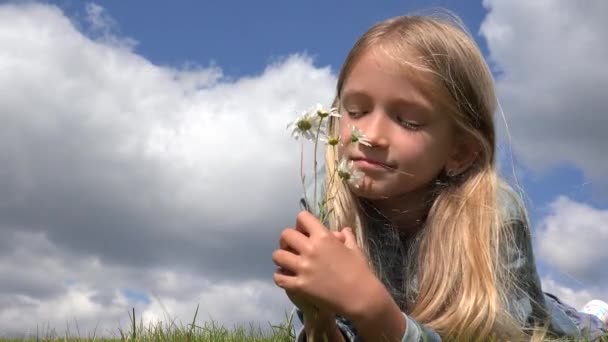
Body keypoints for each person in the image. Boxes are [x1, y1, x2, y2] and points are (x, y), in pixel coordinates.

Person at [272, 14, 608, 341]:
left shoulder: (493, 216)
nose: (370, 135)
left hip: (517, 310)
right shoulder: (326, 199)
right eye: (356, 111)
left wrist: (374, 310)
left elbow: (502, 333)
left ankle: (594, 316)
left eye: (409, 121)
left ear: (460, 153)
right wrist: (318, 315)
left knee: (573, 329)